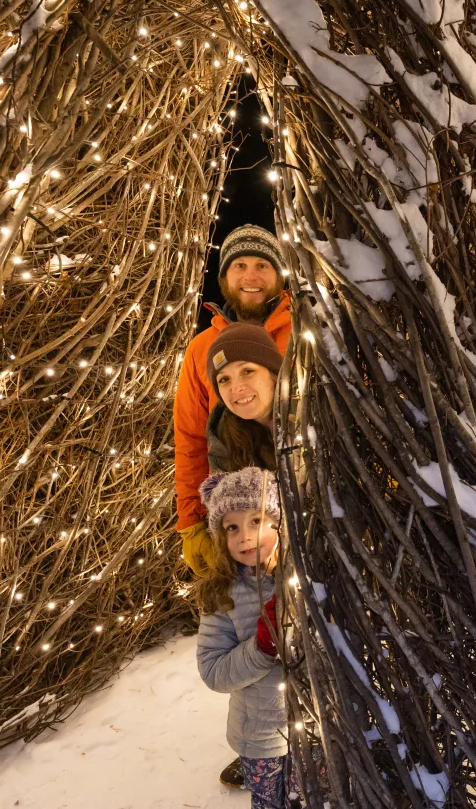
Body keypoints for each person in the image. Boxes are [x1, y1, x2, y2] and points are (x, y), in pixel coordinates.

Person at [175, 225, 291, 575]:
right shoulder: (201, 349)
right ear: (224, 276)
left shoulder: (307, 331)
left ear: (280, 275)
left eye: (262, 265)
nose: (250, 276)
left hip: (307, 503)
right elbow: (191, 439)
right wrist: (191, 522)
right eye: (239, 265)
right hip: (239, 519)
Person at [195, 467, 287, 798]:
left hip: (316, 730)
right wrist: (262, 648)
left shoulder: (303, 579)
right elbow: (213, 671)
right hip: (261, 740)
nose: (244, 536)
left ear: (280, 523)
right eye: (232, 527)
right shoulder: (222, 595)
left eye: (256, 521)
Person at [181, 322, 285, 574]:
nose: (236, 387)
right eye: (224, 379)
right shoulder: (225, 439)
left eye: (247, 371)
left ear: (273, 373)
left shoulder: (315, 419)